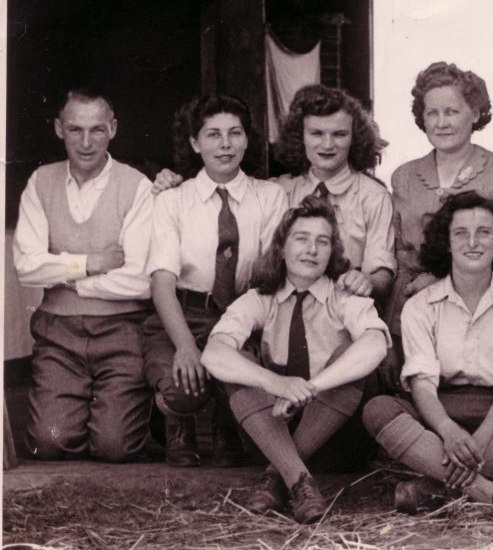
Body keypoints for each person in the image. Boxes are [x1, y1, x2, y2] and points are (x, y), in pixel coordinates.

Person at [364, 192, 493, 513]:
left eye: (484, 232)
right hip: (439, 415)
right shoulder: (420, 305)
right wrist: (448, 431)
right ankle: (489, 491)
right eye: (460, 233)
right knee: (377, 409)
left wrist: (482, 439)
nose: (472, 242)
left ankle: (434, 488)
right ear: (446, 242)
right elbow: (422, 384)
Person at [201, 197, 389, 524]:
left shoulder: (344, 297)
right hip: (272, 428)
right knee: (236, 364)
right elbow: (213, 353)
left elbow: (375, 345)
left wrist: (311, 388)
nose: (311, 250)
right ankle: (298, 479)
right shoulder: (259, 298)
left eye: (322, 241)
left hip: (337, 439)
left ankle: (278, 476)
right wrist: (277, 384)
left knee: (350, 362)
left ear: (333, 251)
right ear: (282, 248)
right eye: (301, 239)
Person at [142, 95, 287, 467]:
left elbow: (271, 276)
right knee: (183, 384)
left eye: (234, 133)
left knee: (240, 381)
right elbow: (162, 284)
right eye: (213, 134)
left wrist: (240, 335)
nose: (225, 144)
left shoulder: (270, 197)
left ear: (246, 140)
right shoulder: (172, 201)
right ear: (195, 143)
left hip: (242, 316)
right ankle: (178, 420)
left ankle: (227, 422)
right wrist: (186, 347)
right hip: (187, 313)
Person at [152, 84, 395, 302]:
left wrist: (365, 281)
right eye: (316, 133)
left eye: (340, 134)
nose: (328, 144)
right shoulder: (280, 190)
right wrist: (172, 180)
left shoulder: (373, 196)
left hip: (348, 303)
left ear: (355, 138)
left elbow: (382, 272)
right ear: (301, 137)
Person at [14, 87, 154, 461]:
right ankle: (78, 415)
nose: (87, 142)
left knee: (114, 447)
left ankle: (124, 413)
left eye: (97, 130)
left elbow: (139, 279)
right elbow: (27, 267)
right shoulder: (41, 182)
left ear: (113, 128)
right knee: (50, 440)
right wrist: (90, 263)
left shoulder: (137, 186)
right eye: (76, 130)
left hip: (123, 334)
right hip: (58, 336)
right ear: (59, 128)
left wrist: (63, 275)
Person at [386, 62, 493, 376]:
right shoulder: (404, 176)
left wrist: (441, 277)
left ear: (476, 113)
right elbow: (399, 255)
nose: (441, 123)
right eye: (432, 113)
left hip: (482, 312)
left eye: (451, 112)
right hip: (411, 311)